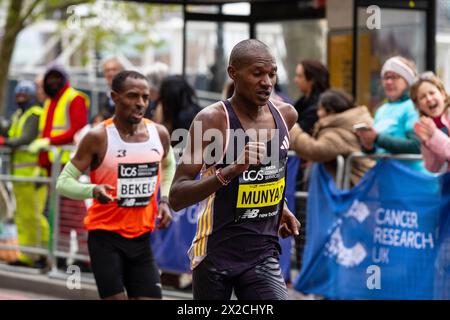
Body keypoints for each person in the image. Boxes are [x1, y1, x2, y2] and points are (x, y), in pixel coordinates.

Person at [169, 39, 300, 300]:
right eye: (257, 73)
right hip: (216, 253)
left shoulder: (286, 115)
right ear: (233, 73)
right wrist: (230, 170)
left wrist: (280, 206)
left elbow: (270, 172)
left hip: (262, 253)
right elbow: (176, 196)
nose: (267, 82)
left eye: (272, 73)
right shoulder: (212, 120)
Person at [56, 70, 176, 300]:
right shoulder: (98, 137)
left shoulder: (158, 133)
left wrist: (164, 199)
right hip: (105, 238)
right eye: (132, 96)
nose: (140, 103)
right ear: (114, 97)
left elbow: (169, 165)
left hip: (141, 239)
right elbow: (63, 183)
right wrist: (92, 190)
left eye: (145, 97)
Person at [0, 80, 48, 267]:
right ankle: (35, 253)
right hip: (21, 176)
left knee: (31, 217)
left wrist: (4, 142)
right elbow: (10, 132)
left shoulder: (35, 114)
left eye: (24, 95)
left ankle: (36, 255)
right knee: (27, 216)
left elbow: (25, 138)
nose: (21, 99)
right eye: (18, 95)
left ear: (31, 96)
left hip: (33, 174)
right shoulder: (20, 114)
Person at [290, 89, 375, 187]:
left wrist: (293, 129)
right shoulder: (347, 125)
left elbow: (315, 150)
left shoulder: (339, 132)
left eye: (320, 109)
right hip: (361, 186)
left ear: (330, 110)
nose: (318, 113)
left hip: (356, 190)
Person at [355, 56, 425, 172]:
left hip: (412, 181)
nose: (388, 82)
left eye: (395, 77)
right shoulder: (381, 109)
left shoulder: (413, 106)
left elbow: (416, 146)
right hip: (387, 181)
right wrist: (368, 145)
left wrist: (377, 138)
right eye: (386, 77)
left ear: (408, 81)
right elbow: (378, 150)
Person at [411, 72, 450, 173]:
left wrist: (434, 135)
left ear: (443, 94)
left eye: (432, 93)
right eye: (422, 97)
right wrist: (427, 143)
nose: (429, 99)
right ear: (418, 106)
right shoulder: (428, 127)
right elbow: (432, 169)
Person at [293, 59, 330, 135]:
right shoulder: (302, 103)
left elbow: (295, 136)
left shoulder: (317, 109)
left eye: (299, 76)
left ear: (311, 80)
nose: (295, 80)